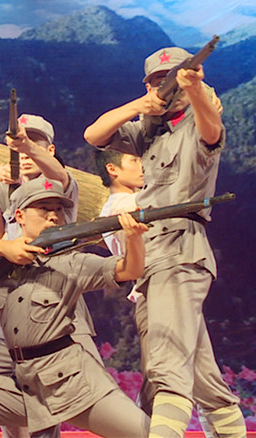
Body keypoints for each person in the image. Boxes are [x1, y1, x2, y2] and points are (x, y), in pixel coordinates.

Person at [84, 46, 246, 437]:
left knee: (166, 365)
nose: (166, 87)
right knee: (202, 376)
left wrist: (195, 90)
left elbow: (211, 132)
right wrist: (140, 105)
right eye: (159, 81)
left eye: (171, 79)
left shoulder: (197, 121)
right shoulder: (147, 131)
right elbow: (94, 135)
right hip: (150, 259)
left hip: (179, 251)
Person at [0, 177, 151, 437]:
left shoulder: (71, 262)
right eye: (44, 208)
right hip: (26, 387)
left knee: (147, 434)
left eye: (58, 210)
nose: (53, 215)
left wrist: (133, 239)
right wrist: (3, 247)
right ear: (19, 216)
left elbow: (130, 270)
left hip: (75, 386)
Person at [0, 115, 98, 438]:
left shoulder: (59, 189)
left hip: (56, 308)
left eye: (33, 144)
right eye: (18, 146)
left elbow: (59, 174)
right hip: (15, 307)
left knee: (65, 397)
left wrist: (26, 147)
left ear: (49, 149)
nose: (26, 153)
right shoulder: (9, 190)